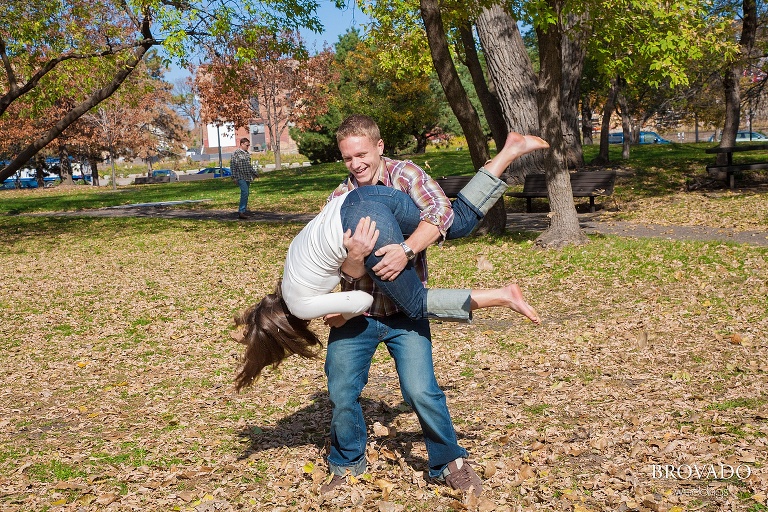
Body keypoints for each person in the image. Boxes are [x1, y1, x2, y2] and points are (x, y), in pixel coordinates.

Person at [235, 115, 548, 497]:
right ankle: (347, 463)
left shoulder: (406, 176)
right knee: (341, 392)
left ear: (379, 147)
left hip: (405, 314)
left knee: (421, 392)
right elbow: (337, 275)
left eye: (362, 154)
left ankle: (450, 462)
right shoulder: (338, 199)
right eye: (348, 158)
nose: (356, 164)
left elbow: (443, 216)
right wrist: (354, 259)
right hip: (360, 315)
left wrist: (406, 249)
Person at [230, 137, 259, 219]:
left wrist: (255, 173)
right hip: (240, 176)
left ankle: (243, 210)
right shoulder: (236, 153)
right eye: (247, 145)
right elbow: (233, 165)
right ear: (242, 144)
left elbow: (249, 166)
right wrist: (234, 177)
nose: (248, 147)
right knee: (245, 192)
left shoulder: (247, 153)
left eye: (249, 145)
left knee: (246, 193)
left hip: (247, 176)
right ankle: (241, 211)